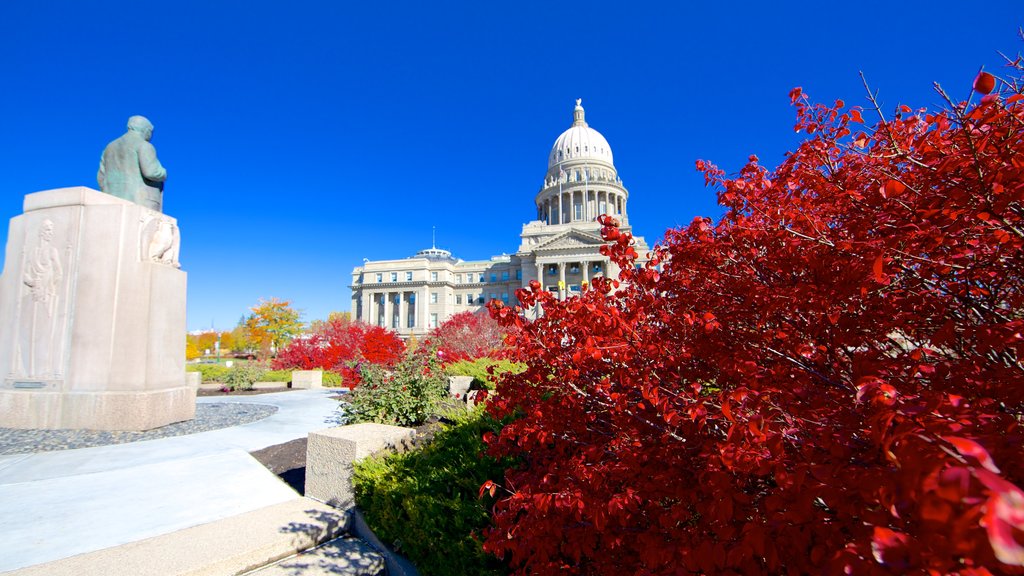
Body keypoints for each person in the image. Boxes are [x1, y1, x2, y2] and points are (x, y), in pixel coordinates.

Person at [97, 115, 167, 211]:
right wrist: (164, 173)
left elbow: (101, 177)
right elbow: (151, 172)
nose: (150, 135)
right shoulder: (144, 145)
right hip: (140, 201)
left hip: (111, 201)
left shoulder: (109, 148)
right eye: (151, 132)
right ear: (146, 130)